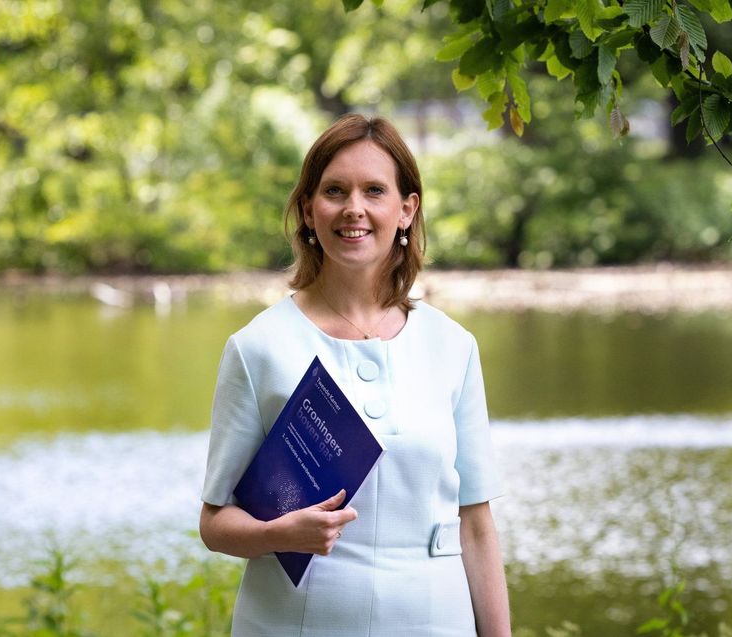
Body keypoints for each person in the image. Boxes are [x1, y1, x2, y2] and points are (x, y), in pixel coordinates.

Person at [198, 114, 511, 636]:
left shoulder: (452, 346)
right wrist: (280, 534)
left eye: (374, 191)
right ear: (307, 209)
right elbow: (215, 524)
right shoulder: (259, 348)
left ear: (406, 210)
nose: (354, 209)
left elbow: (476, 526)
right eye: (335, 191)